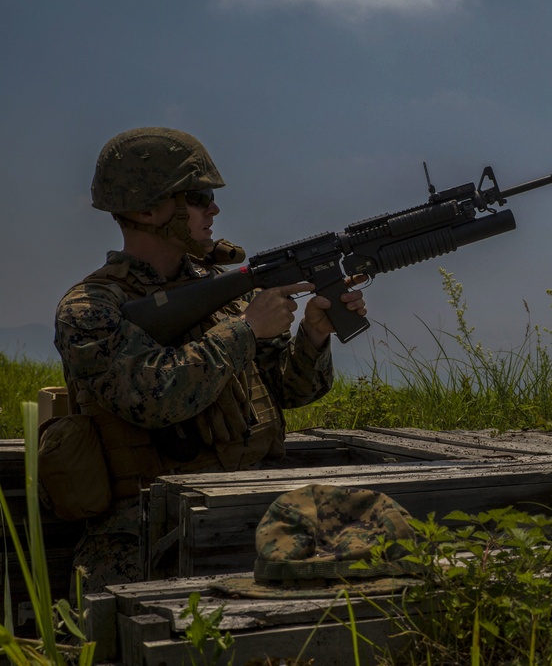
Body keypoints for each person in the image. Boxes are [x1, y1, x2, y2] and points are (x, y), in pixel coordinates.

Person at [50, 127, 367, 593]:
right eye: (198, 197)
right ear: (146, 209)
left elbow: (290, 392)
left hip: (247, 507)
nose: (213, 209)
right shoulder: (91, 309)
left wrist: (314, 337)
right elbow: (151, 398)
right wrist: (246, 330)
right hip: (144, 531)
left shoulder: (223, 293)